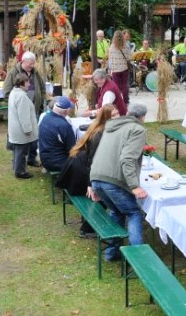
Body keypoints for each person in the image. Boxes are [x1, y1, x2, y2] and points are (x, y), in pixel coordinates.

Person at [88, 103, 149, 261]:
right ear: (142, 117)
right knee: (133, 213)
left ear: (128, 113)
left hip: (97, 177)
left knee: (117, 211)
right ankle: (138, 259)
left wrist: (94, 184)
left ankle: (111, 253)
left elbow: (99, 155)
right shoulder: (137, 129)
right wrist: (134, 186)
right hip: (112, 181)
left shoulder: (112, 126)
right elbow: (127, 159)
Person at [57, 105, 117, 238]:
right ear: (106, 117)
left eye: (117, 114)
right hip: (80, 170)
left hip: (79, 165)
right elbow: (93, 160)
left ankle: (89, 224)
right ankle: (87, 229)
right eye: (113, 115)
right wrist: (91, 184)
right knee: (101, 193)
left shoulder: (100, 128)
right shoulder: (100, 134)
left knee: (101, 192)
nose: (117, 117)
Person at [7, 73, 38, 179]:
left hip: (15, 128)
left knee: (17, 150)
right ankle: (20, 172)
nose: (29, 84)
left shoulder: (14, 92)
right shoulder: (21, 96)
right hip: (20, 129)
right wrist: (28, 129)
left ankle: (16, 167)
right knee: (21, 151)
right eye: (27, 82)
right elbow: (24, 116)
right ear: (22, 83)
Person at [38, 96, 77, 174]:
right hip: (58, 163)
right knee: (83, 158)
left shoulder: (45, 117)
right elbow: (72, 149)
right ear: (66, 111)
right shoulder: (64, 125)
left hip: (44, 159)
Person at [108, 30, 132, 103]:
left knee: (116, 86)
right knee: (125, 85)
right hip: (124, 68)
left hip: (115, 70)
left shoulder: (112, 47)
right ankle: (126, 100)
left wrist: (110, 69)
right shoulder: (126, 46)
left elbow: (110, 59)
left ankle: (116, 100)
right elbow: (129, 58)